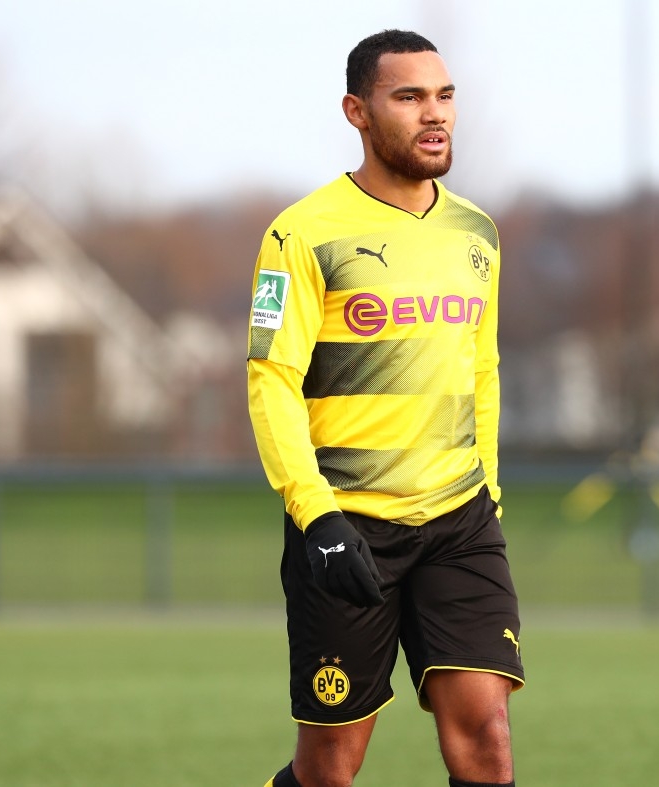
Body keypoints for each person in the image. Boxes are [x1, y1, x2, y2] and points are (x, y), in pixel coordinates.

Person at [248, 29, 524, 787]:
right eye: (409, 97)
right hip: (347, 526)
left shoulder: (477, 232)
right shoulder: (300, 234)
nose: (435, 114)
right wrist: (317, 517)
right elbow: (270, 379)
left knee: (487, 737)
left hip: (460, 521)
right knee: (330, 766)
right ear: (357, 112)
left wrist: (487, 489)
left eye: (444, 95)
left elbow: (483, 369)